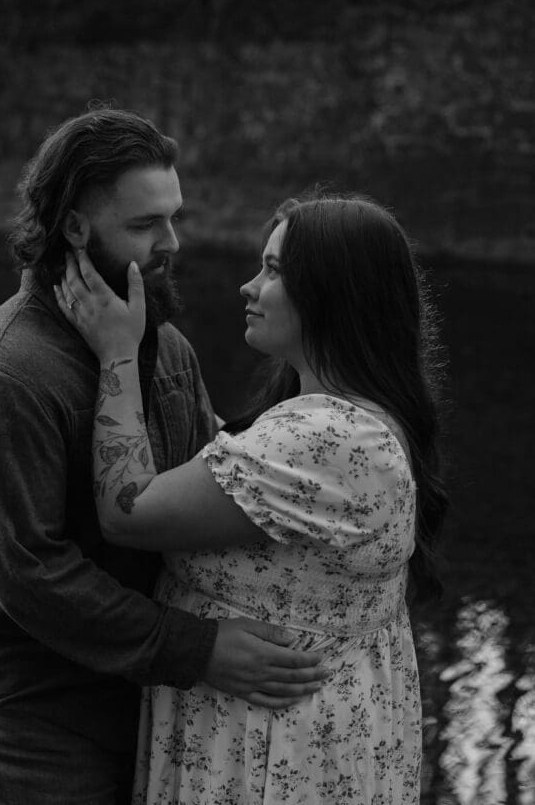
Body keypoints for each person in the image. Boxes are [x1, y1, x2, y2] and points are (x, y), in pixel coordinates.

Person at [0, 108, 328, 805]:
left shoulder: (165, 346)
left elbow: (204, 487)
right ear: (76, 228)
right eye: (144, 226)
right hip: (34, 713)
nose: (172, 242)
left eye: (172, 217)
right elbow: (31, 575)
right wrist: (198, 649)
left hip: (148, 689)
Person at [55, 188, 448, 805]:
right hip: (310, 740)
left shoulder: (326, 440)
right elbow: (230, 467)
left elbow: (126, 508)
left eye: (273, 270)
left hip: (269, 754)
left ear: (331, 295)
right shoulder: (352, 420)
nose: (248, 286)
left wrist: (117, 353)